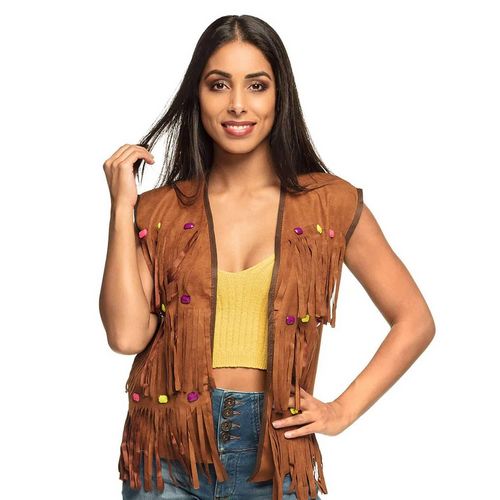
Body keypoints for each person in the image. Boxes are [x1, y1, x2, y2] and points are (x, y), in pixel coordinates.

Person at [99, 14, 436, 500]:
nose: (238, 104)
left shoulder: (330, 204)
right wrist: (121, 209)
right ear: (197, 95)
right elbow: (126, 336)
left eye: (256, 85)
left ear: (280, 96)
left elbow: (414, 320)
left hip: (277, 458)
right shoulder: (160, 210)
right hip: (165, 457)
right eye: (219, 85)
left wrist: (341, 411)